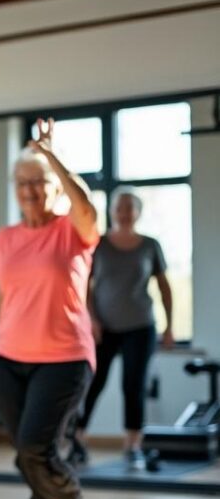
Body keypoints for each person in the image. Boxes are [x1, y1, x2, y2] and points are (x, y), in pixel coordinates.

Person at [0, 118, 98, 499]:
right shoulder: (5, 238)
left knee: (36, 447)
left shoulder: (73, 231)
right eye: (22, 182)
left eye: (39, 181)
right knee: (26, 451)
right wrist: (1, 338)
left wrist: (52, 154)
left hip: (64, 358)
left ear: (55, 187)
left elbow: (86, 203)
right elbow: (3, 298)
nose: (29, 189)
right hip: (9, 358)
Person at [70, 186, 174, 470]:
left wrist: (169, 327)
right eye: (120, 207)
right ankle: (78, 439)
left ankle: (133, 445)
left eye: (130, 207)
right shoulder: (99, 244)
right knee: (93, 383)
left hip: (140, 326)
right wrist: (90, 319)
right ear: (112, 211)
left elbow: (164, 288)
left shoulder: (150, 245)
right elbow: (84, 285)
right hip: (103, 328)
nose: (124, 212)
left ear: (137, 212)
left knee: (133, 385)